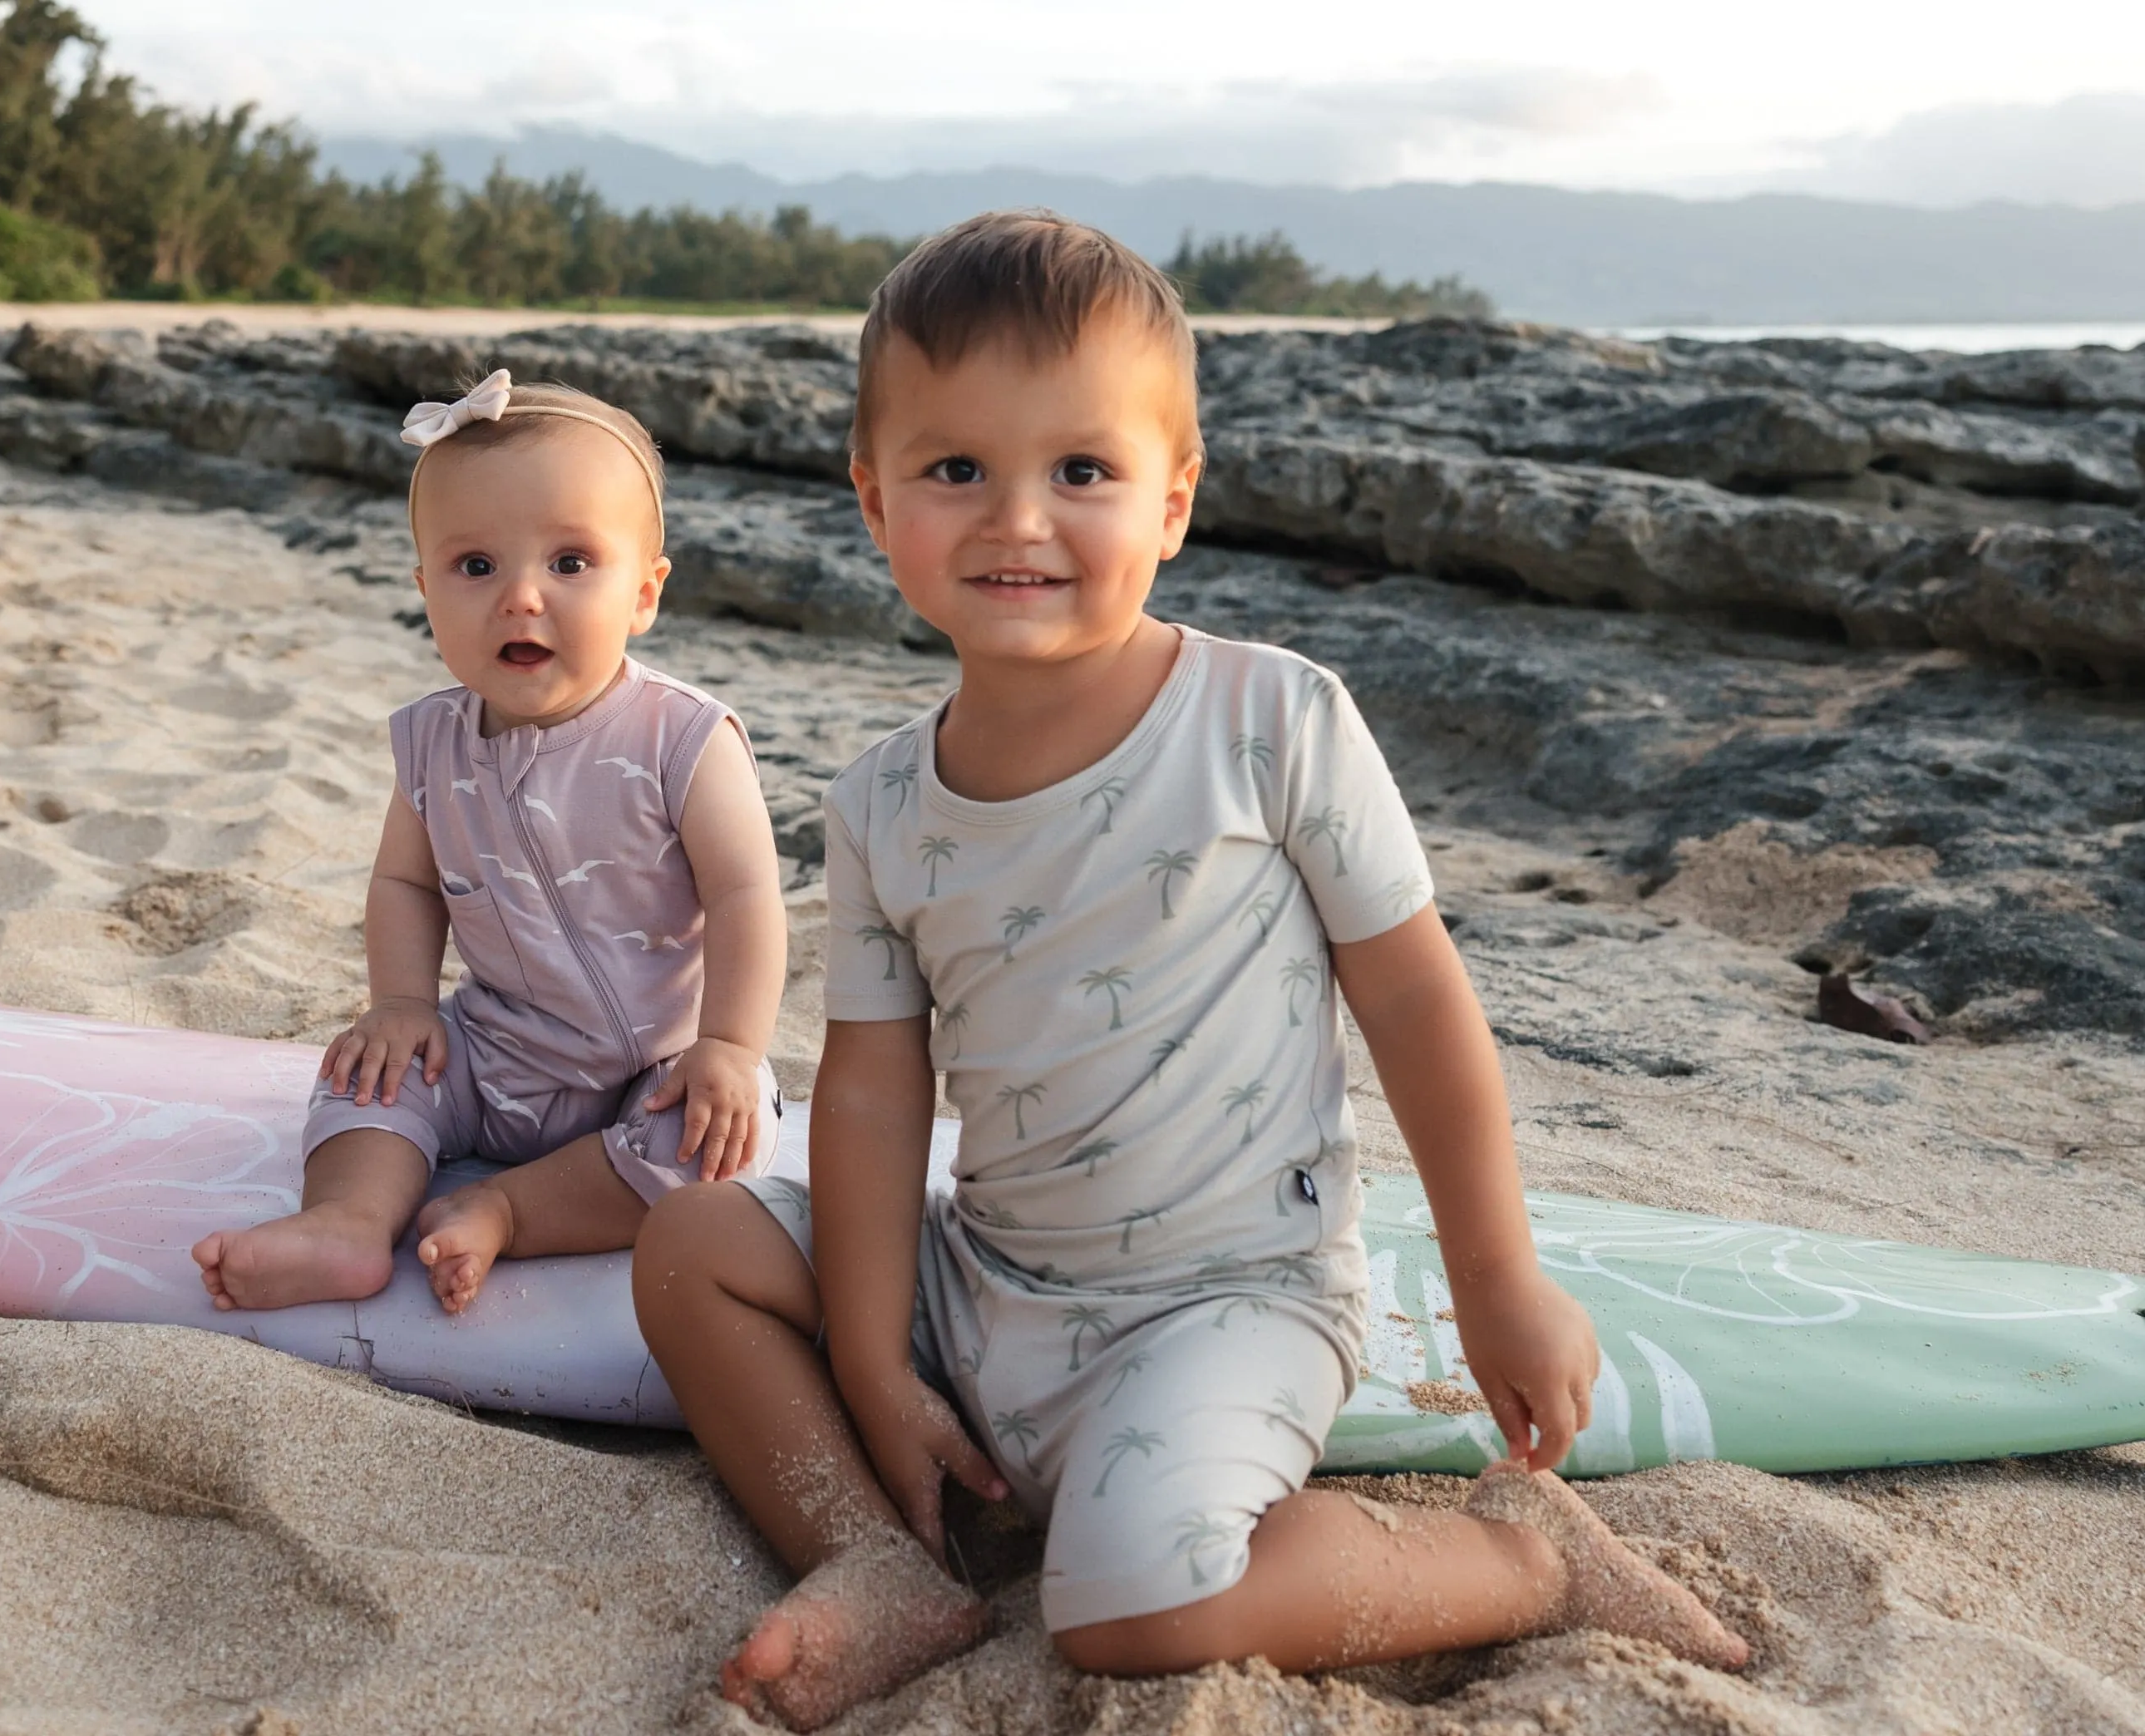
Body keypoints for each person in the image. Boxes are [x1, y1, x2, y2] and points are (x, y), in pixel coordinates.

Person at [634, 213, 1747, 1729]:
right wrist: (878, 1356)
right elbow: (880, 1089)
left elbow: (1416, 1000)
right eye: (956, 469)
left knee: (1135, 1610)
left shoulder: (1273, 721)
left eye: (1080, 472)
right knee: (693, 1243)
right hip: (990, 1277)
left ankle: (1519, 1561)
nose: (1017, 518)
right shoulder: (884, 800)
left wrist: (1501, 1283)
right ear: (872, 499)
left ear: (1175, 498)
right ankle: (876, 1560)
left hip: (1230, 1296)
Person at [195, 372, 786, 1317]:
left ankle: (508, 1209)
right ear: (426, 592)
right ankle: (349, 1223)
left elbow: (751, 896)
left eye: (571, 564)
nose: (521, 598)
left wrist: (728, 1043)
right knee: (366, 1080)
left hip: (656, 1066)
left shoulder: (684, 739)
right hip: (495, 1045)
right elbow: (404, 882)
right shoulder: (433, 742)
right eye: (475, 568)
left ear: (645, 591)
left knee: (713, 1148)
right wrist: (399, 1003)